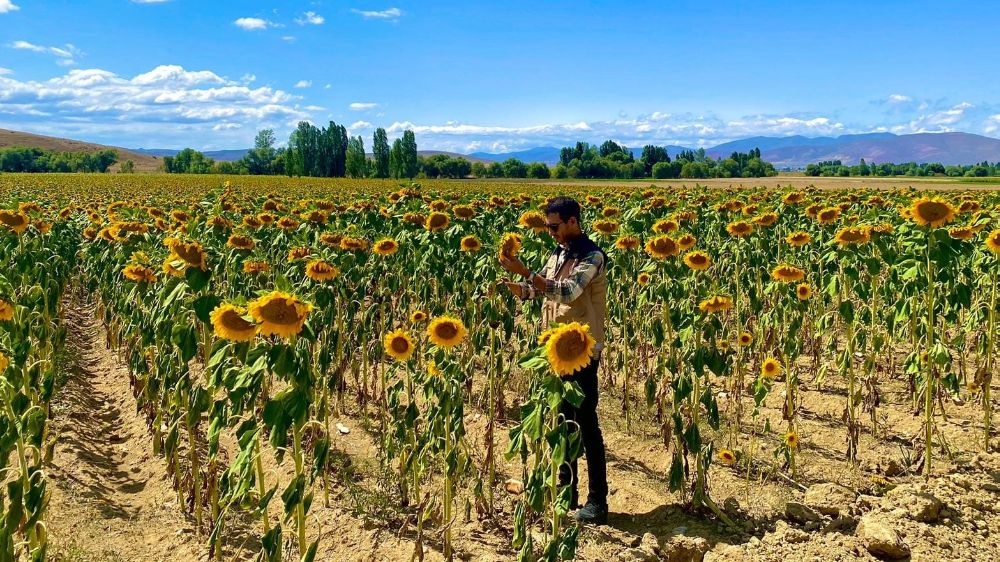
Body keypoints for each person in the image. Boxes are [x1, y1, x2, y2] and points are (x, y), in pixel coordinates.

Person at [499, 196, 610, 525]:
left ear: (573, 221)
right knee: (562, 420)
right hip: (556, 348)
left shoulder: (593, 257)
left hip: (583, 349)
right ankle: (566, 489)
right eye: (547, 226)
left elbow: (568, 291)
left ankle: (598, 501)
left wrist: (528, 273)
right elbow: (541, 291)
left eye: (554, 226)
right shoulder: (559, 253)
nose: (550, 232)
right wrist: (517, 286)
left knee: (586, 423)